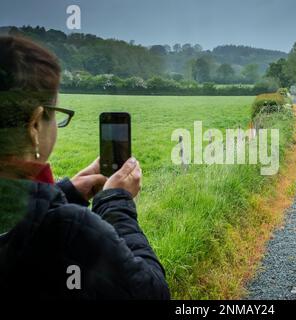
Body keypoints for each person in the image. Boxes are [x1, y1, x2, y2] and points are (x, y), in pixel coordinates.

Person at [0, 36, 170, 299]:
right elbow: (151, 292)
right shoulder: (70, 229)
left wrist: (66, 193)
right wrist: (115, 204)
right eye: (55, 113)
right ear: (35, 125)